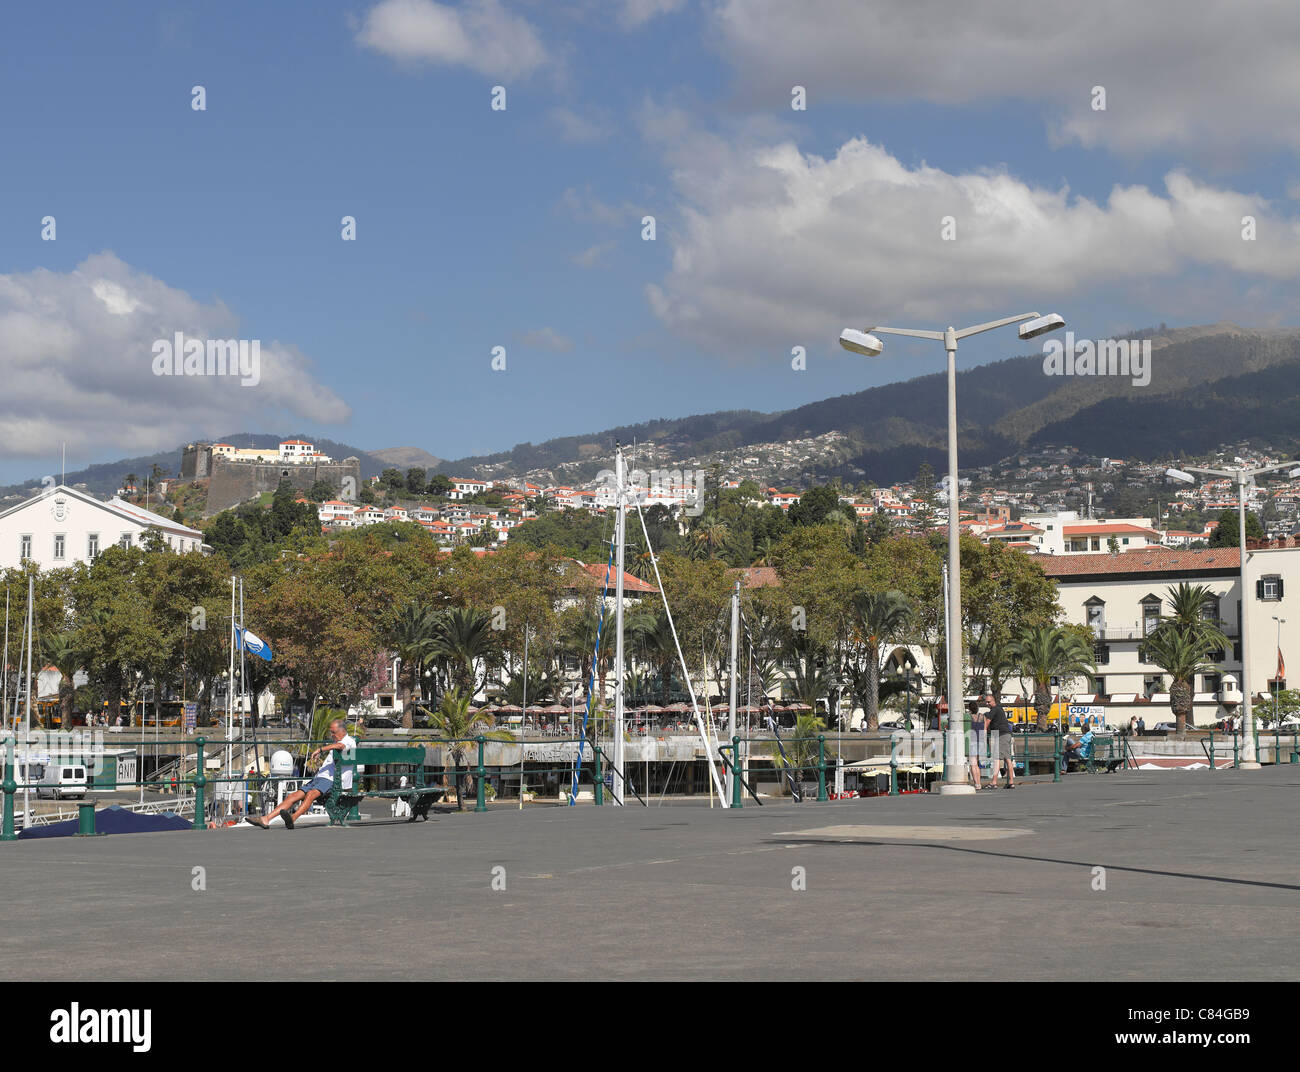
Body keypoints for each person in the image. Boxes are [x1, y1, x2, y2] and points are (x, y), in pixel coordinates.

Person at [246, 719, 356, 829]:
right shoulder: (337, 741)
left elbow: (341, 746)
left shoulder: (349, 741)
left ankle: (292, 818)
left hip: (332, 780)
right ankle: (266, 819)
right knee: (293, 796)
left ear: (342, 730)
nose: (331, 735)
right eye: (331, 732)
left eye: (333, 732)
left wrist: (320, 749)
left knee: (311, 794)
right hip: (321, 777)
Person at [986, 697, 1016, 788]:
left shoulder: (994, 710)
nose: (987, 704)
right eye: (986, 702)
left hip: (1000, 735)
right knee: (1008, 758)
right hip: (1006, 734)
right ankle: (1011, 782)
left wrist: (983, 732)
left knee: (997, 758)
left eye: (989, 702)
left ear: (993, 701)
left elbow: (987, 722)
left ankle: (994, 782)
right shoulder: (1000, 708)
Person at [967, 700, 986, 790]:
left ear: (969, 708)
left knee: (973, 764)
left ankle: (976, 784)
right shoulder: (982, 716)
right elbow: (985, 729)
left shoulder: (968, 717)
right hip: (981, 741)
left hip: (972, 741)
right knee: (977, 764)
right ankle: (979, 783)